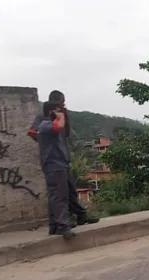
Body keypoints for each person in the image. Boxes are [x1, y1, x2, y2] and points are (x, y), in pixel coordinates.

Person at [28, 90, 99, 235]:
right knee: (58, 194)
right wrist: (46, 143)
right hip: (53, 161)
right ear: (56, 103)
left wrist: (65, 117)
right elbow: (33, 132)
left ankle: (76, 217)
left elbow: (65, 133)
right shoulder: (44, 119)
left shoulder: (59, 118)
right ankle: (61, 224)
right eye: (62, 102)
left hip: (62, 160)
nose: (64, 104)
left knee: (69, 191)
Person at [37, 101, 76, 239]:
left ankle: (54, 225)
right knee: (60, 196)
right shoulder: (46, 125)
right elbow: (59, 125)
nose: (61, 113)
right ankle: (63, 226)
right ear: (51, 112)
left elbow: (65, 131)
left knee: (55, 196)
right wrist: (60, 116)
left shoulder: (50, 125)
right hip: (55, 165)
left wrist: (64, 116)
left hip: (58, 165)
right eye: (58, 110)